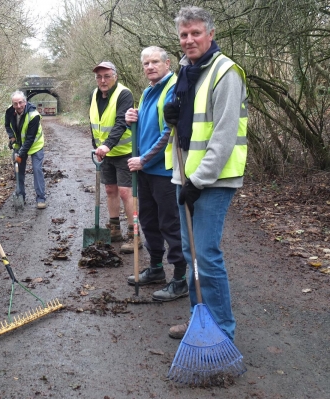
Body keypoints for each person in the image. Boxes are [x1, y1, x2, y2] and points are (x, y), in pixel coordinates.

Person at [163, 6, 248, 341]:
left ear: (211, 35)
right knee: (190, 252)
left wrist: (198, 181)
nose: (189, 40)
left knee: (206, 255)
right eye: (184, 35)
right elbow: (188, 128)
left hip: (213, 180)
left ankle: (222, 329)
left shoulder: (226, 73)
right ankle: (199, 317)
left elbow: (225, 135)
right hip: (186, 177)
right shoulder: (186, 71)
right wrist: (172, 116)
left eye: (195, 33)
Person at [125, 46, 188, 302]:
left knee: (170, 225)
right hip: (145, 170)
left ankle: (180, 280)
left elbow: (168, 132)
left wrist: (144, 159)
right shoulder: (148, 91)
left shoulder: (173, 88)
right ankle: (156, 269)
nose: (150, 67)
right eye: (146, 63)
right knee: (149, 222)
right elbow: (146, 129)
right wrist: (134, 119)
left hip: (165, 170)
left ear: (167, 63)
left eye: (154, 62)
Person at [89, 61, 142, 253]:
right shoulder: (94, 94)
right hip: (105, 153)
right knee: (110, 190)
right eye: (99, 77)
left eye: (106, 76)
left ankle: (134, 234)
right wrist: (97, 147)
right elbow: (94, 121)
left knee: (126, 192)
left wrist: (107, 145)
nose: (102, 81)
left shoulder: (124, 94)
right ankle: (114, 229)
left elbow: (121, 122)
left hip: (124, 152)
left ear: (115, 76)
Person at [4, 91, 47, 209]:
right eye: (15, 103)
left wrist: (20, 155)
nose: (18, 106)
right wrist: (11, 136)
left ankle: (41, 198)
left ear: (25, 102)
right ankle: (21, 195)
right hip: (19, 144)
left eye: (20, 103)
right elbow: (7, 125)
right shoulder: (9, 112)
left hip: (35, 145)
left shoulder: (34, 115)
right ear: (12, 104)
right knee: (19, 171)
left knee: (37, 169)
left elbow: (29, 139)